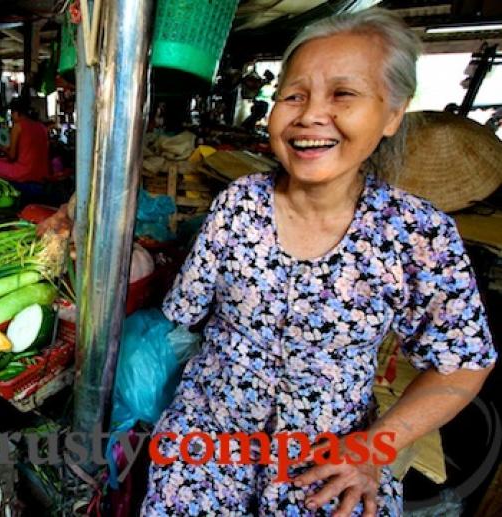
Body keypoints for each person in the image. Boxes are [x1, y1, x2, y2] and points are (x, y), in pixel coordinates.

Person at [141, 9, 495, 517]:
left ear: (393, 113)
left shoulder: (416, 234)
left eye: (343, 94)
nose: (310, 115)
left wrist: (376, 447)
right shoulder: (238, 204)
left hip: (330, 462)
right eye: (294, 95)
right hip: (208, 440)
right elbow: (183, 311)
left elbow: (465, 362)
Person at [0, 98, 50, 184]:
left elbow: (12, 156)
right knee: (2, 160)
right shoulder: (42, 127)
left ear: (17, 113)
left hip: (24, 173)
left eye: (12, 113)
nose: (11, 117)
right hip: (42, 173)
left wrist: (4, 149)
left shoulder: (18, 126)